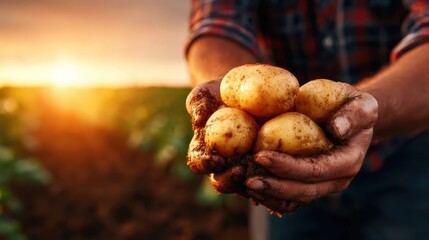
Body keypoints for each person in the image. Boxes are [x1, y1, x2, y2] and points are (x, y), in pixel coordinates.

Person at [184, 1, 429, 239]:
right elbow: (216, 24)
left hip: (406, 157)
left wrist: (365, 113)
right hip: (281, 171)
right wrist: (220, 100)